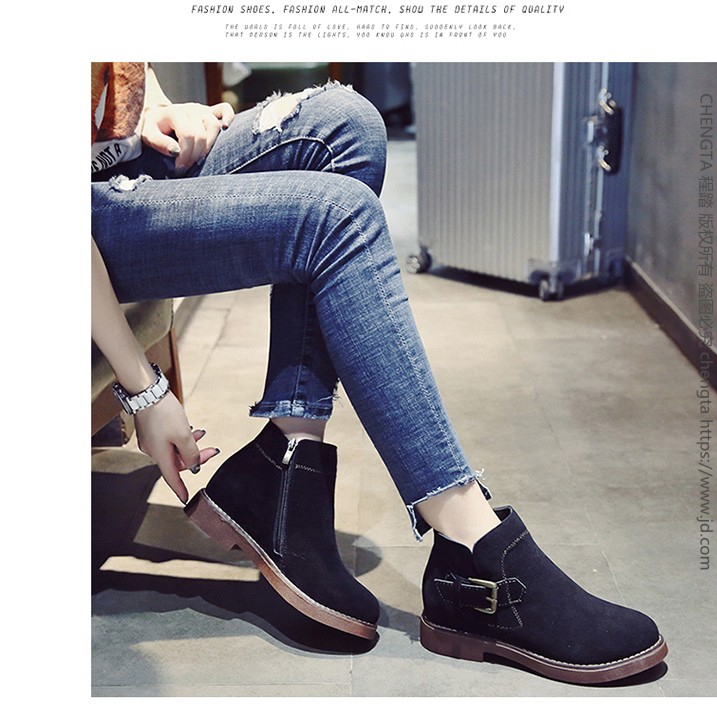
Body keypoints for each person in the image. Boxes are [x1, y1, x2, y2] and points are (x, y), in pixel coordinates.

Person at [92, 62, 667, 684]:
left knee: (350, 125)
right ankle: (470, 540)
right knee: (337, 216)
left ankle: (286, 458)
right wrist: (144, 389)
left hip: (119, 163)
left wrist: (157, 107)